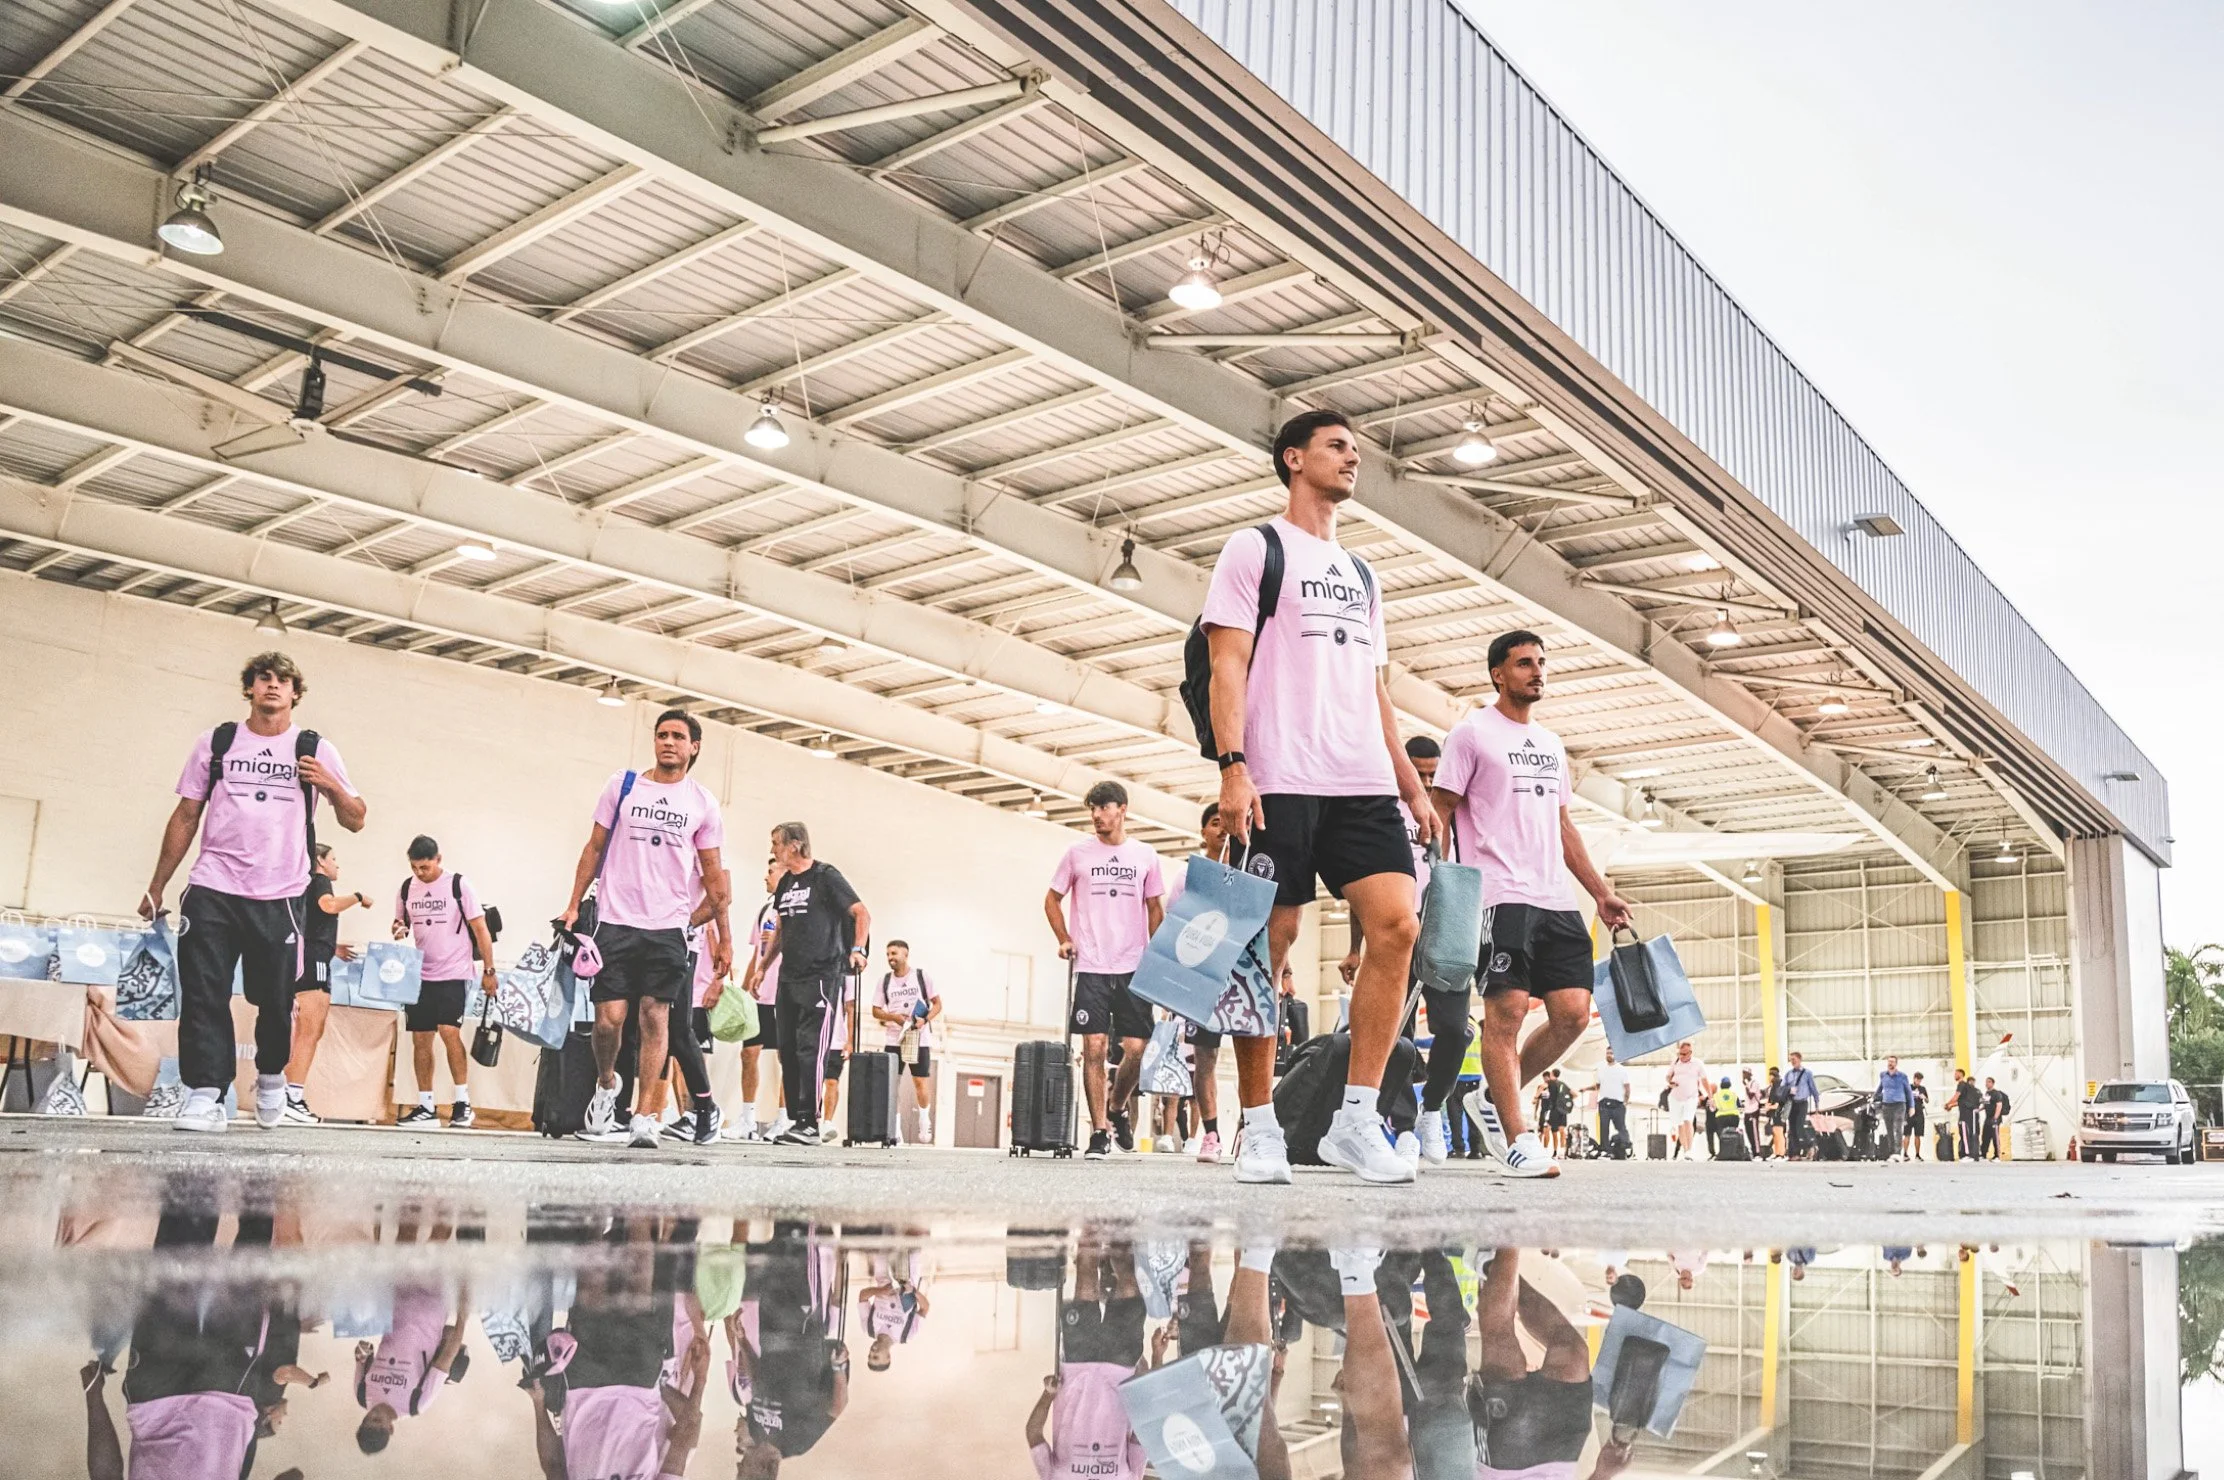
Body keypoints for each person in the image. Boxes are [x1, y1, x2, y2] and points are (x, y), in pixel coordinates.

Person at [1201, 409, 1443, 1187]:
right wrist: (1235, 767)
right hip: (1280, 775)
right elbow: (1226, 666)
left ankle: (1355, 1119)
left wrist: (1411, 786)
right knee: (1263, 948)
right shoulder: (1256, 548)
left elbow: (1374, 690)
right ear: (1293, 458)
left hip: (1360, 778)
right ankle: (1260, 1125)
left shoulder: (1364, 575)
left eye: (1356, 450)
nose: (1353, 458)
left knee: (1398, 926)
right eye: (1338, 447)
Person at [1430, 629, 1632, 1179]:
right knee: (1508, 1013)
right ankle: (1516, 1137)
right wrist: (1434, 885)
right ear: (1498, 673)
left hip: (1555, 898)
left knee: (1571, 1014)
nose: (1536, 672)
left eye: (1541, 663)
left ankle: (1494, 1101)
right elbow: (1440, 811)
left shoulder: (1550, 744)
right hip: (1499, 893)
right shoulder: (1471, 735)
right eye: (1524, 664)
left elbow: (1561, 825)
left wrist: (1599, 891)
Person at [139, 650, 367, 1133]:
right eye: (264, 678)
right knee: (204, 994)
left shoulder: (314, 748)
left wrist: (330, 785)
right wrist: (157, 884)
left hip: (280, 894)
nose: (272, 686)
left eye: (283, 681)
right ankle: (204, 1093)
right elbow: (185, 816)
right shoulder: (216, 742)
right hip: (213, 886)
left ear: (295, 693)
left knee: (274, 998)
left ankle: (269, 1077)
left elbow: (356, 818)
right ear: (250, 688)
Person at [561, 709, 729, 1151]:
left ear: (694, 747)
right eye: (661, 735)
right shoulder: (623, 786)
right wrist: (573, 904)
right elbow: (594, 846)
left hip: (668, 928)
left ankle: (643, 1117)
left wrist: (718, 934)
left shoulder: (703, 803)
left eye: (677, 736)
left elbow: (715, 878)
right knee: (607, 1022)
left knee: (656, 1018)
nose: (668, 742)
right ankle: (606, 1084)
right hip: (616, 921)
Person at [1044, 780, 1166, 1161]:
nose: (1097, 815)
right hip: (1092, 964)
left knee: (1136, 1048)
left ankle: (1117, 1107)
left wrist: (1158, 953)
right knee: (1093, 1047)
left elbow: (1155, 908)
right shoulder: (1077, 854)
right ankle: (1099, 1131)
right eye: (1092, 809)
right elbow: (1051, 899)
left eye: (1104, 807)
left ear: (1122, 809)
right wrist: (1064, 937)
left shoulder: (1145, 855)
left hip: (1133, 965)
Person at [758, 822, 869, 1147]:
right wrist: (763, 967)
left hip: (821, 975)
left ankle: (810, 1121)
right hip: (788, 976)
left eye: (776, 843)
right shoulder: (787, 883)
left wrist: (858, 950)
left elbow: (862, 913)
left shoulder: (825, 876)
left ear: (795, 845)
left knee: (810, 1048)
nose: (772, 850)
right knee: (788, 1050)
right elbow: (781, 927)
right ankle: (797, 1119)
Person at [391, 836, 498, 1129]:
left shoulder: (458, 885)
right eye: (415, 867)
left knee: (449, 1032)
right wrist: (399, 930)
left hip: (454, 972)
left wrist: (490, 971)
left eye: (425, 867)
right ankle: (426, 1106)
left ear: (439, 859)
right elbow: (400, 924)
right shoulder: (406, 888)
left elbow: (481, 930)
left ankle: (463, 1102)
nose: (420, 873)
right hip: (420, 975)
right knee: (420, 1039)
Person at [1027, 1234, 1148, 1479]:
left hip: (1076, 1366)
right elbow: (1141, 1435)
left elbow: (1033, 1433)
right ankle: (1119, 1231)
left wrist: (1048, 1395)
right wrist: (1143, 1384)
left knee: (1085, 1278)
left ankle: (1090, 1224)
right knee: (1130, 1290)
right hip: (1121, 1371)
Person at [281, 843, 369, 1124]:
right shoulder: (318, 881)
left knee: (308, 1032)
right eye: (333, 859)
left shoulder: (306, 884)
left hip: (314, 955)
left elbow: (313, 922)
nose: (337, 865)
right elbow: (327, 906)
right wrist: (357, 897)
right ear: (320, 861)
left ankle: (287, 1094)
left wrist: (333, 947)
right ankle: (290, 1098)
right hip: (312, 962)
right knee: (309, 1031)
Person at [1164, 802, 1230, 1162]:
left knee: (1257, 1054)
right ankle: (1212, 1136)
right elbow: (1174, 928)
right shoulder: (1187, 876)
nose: (1222, 829)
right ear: (1203, 831)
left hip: (1241, 976)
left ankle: (1255, 1133)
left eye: (1227, 823)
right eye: (1215, 823)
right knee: (1205, 1058)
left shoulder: (1250, 869)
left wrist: (1285, 973)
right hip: (1203, 974)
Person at [710, 857, 784, 1141]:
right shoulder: (765, 910)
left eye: (771, 871)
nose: (766, 877)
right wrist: (743, 991)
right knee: (748, 1053)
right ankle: (748, 1118)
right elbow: (757, 955)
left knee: (785, 1059)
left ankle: (784, 1120)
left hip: (785, 995)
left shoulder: (795, 911)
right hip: (760, 996)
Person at [354, 1282, 470, 1451]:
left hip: (397, 1298)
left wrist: (362, 1351)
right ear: (390, 1429)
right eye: (378, 1420)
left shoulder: (362, 1395)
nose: (373, 1414)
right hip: (433, 1306)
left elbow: (362, 1356)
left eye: (367, 1419)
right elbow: (447, 1357)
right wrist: (462, 1315)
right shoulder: (416, 1404)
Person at [664, 868, 731, 1144]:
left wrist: (717, 983)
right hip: (681, 977)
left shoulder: (709, 909)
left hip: (700, 991)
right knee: (672, 1052)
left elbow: (719, 954)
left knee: (687, 1046)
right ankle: (685, 1114)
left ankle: (699, 1111)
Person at [871, 940, 943, 1144]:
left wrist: (925, 1019)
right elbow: (876, 1010)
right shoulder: (884, 981)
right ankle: (895, 1128)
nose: (890, 958)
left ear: (905, 954)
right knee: (892, 1083)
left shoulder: (921, 976)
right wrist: (893, 1017)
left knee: (920, 1081)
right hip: (895, 1037)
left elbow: (938, 1004)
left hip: (918, 1037)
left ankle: (923, 1119)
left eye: (893, 953)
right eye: (887, 954)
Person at [1663, 1041, 1709, 1160]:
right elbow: (1668, 1076)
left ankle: (1690, 1149)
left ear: (1690, 1053)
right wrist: (1670, 1082)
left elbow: (1704, 1080)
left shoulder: (1697, 1063)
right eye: (1679, 1054)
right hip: (1676, 1097)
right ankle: (1685, 1149)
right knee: (1679, 1124)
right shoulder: (1675, 1062)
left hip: (1691, 1097)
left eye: (1684, 1054)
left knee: (1688, 1120)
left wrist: (1710, 1096)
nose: (1681, 1057)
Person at [1876, 1056, 1913, 1164]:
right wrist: (1874, 1098)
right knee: (1889, 1130)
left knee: (1898, 1128)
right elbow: (1880, 1088)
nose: (1890, 1063)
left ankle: (1897, 1152)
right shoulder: (1883, 1075)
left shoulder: (1902, 1076)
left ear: (1896, 1064)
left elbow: (1909, 1092)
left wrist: (1912, 1106)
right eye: (1889, 1062)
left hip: (1899, 1105)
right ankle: (1892, 1153)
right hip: (1886, 1105)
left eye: (1892, 1062)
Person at [1784, 1051, 1820, 1160]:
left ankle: (1810, 1145)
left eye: (1794, 1059)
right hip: (1792, 1103)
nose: (1792, 1062)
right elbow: (1783, 1087)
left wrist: (1817, 1104)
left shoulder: (1807, 1073)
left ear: (1799, 1059)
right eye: (1791, 1060)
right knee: (1792, 1129)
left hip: (1802, 1102)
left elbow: (1813, 1088)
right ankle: (1795, 1153)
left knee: (1800, 1127)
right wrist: (1788, 1090)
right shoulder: (1788, 1074)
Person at [1595, 1047, 1631, 1158]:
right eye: (1607, 1053)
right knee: (1603, 1127)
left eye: (1611, 1053)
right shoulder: (1600, 1069)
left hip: (1618, 1103)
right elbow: (1598, 1085)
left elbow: (1627, 1086)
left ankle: (1626, 1147)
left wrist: (1625, 1101)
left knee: (1621, 1127)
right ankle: (1605, 1149)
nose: (1609, 1055)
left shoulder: (1622, 1069)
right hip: (1604, 1102)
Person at [1951, 1068, 1983, 1161]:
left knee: (1967, 1134)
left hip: (1967, 1115)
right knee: (1967, 1135)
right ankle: (1972, 1154)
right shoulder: (1970, 1092)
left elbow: (1956, 1098)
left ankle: (1968, 1154)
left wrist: (1947, 1104)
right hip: (1971, 1115)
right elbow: (1961, 1102)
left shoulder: (1963, 1085)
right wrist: (1951, 1105)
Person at [1711, 1076, 1742, 1157]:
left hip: (1721, 1117)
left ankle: (1723, 1152)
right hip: (1734, 1116)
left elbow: (1713, 1108)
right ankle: (1734, 1152)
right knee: (1733, 1134)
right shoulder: (1734, 1094)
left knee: (1722, 1135)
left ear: (1721, 1085)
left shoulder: (1716, 1095)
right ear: (1729, 1085)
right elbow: (1739, 1105)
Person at [1983, 1076, 2012, 1160]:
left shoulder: (1996, 1093)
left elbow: (1999, 1106)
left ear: (1992, 1083)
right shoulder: (1986, 1093)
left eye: (1988, 1082)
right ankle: (1984, 1154)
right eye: (1986, 1082)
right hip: (1987, 1118)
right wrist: (1977, 1110)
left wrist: (1995, 1118)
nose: (1986, 1083)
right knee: (1985, 1137)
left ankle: (1997, 1156)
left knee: (1995, 1137)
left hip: (1995, 1118)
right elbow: (1984, 1105)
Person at [1908, 1071, 1930, 1160]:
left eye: (1920, 1080)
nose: (1919, 1082)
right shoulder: (1908, 1087)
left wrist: (1924, 1097)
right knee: (1907, 1134)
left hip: (1919, 1113)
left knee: (1918, 1135)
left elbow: (1927, 1100)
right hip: (1909, 1113)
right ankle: (1905, 1153)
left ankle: (1917, 1154)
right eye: (1918, 1080)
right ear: (1914, 1079)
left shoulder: (1922, 1088)